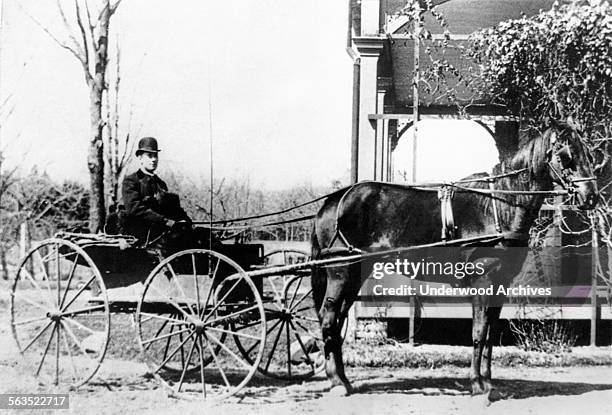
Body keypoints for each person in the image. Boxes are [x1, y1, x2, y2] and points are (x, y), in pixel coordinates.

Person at [120, 137, 191, 246]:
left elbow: (171, 209)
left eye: (155, 156)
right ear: (140, 158)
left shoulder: (160, 184)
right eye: (149, 156)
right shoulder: (131, 181)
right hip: (140, 234)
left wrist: (186, 221)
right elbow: (134, 209)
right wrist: (165, 221)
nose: (153, 160)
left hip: (160, 233)